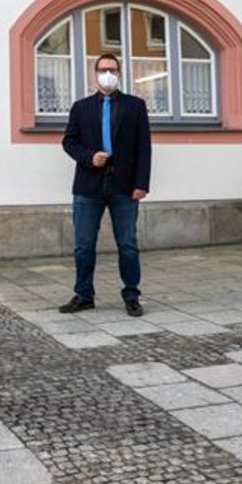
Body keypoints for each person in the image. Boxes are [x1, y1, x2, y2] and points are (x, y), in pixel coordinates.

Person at [59, 52, 152, 317]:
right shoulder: (81, 107)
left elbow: (144, 147)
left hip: (124, 186)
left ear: (119, 73)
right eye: (102, 69)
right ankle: (84, 294)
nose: (107, 74)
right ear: (95, 73)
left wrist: (141, 184)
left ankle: (132, 295)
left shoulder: (135, 106)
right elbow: (69, 141)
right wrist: (90, 157)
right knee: (84, 245)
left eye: (112, 69)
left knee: (128, 244)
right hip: (89, 185)